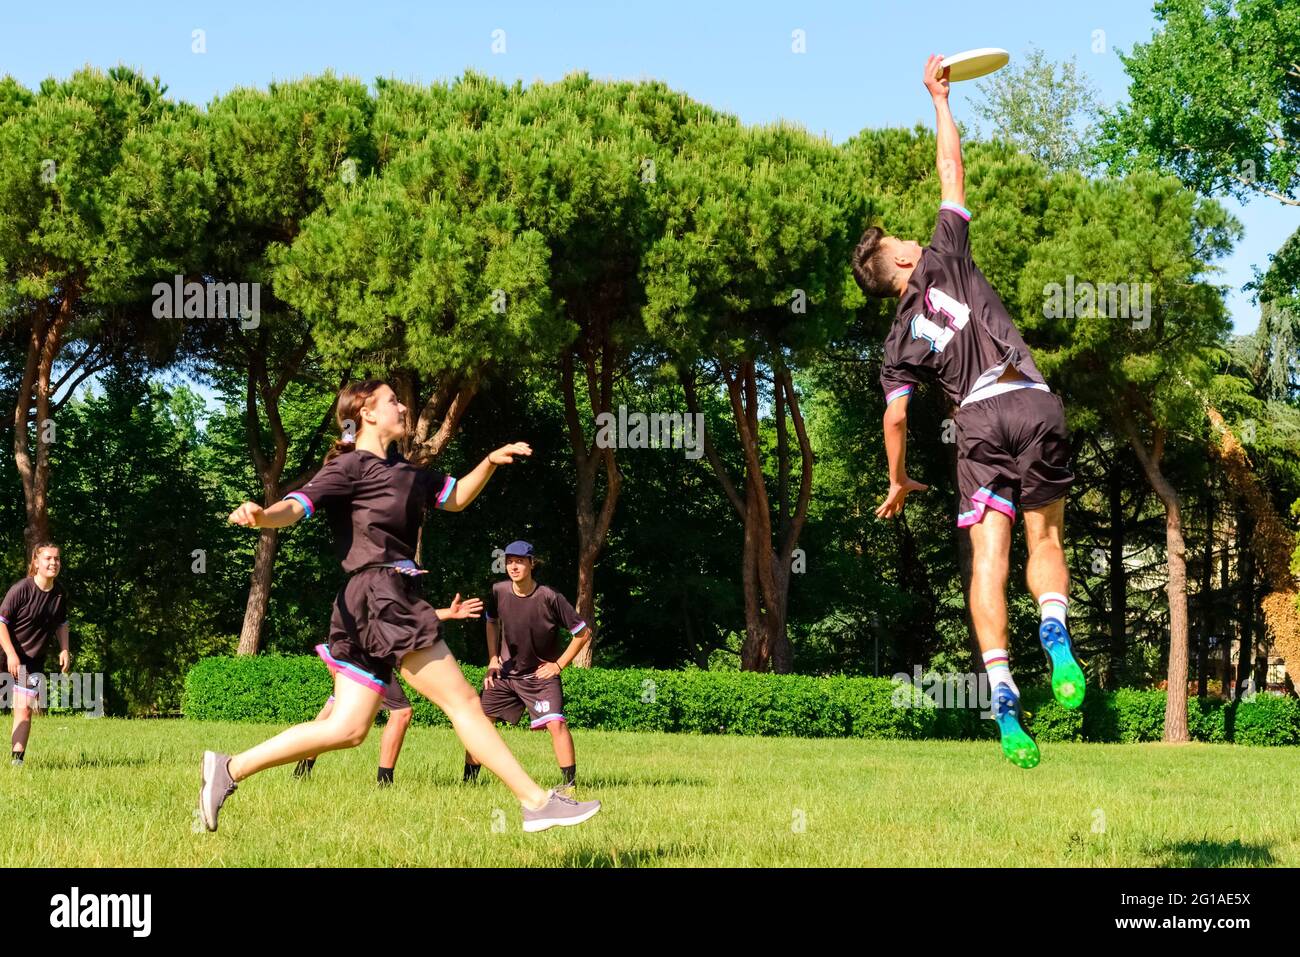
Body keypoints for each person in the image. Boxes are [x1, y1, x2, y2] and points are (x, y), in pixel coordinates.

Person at [199, 380, 601, 831]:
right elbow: (296, 507)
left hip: (379, 599)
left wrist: (488, 461)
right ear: (366, 413)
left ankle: (227, 769)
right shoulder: (349, 466)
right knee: (465, 702)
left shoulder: (410, 473)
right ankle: (535, 801)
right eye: (393, 400)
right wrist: (263, 515)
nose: (404, 406)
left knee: (348, 730)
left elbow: (456, 498)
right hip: (379, 593)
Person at [850, 55, 1084, 768]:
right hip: (1033, 401)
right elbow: (952, 170)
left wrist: (897, 479)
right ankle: (1054, 628)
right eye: (901, 245)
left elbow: (894, 419)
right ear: (895, 267)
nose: (913, 242)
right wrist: (939, 100)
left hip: (978, 425)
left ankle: (1005, 692)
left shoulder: (896, 344)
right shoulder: (945, 255)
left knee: (989, 556)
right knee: (1045, 542)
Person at [463, 541, 592, 788]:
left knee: (556, 723)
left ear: (532, 564)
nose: (513, 566)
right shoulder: (498, 591)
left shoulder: (550, 597)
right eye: (509, 561)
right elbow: (491, 622)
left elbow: (583, 633)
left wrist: (558, 665)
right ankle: (468, 783)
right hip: (506, 675)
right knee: (480, 724)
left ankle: (570, 785)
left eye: (519, 561)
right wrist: (492, 658)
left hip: (539, 677)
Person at [1, 541, 71, 767]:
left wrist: (64, 649)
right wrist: (11, 654)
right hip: (4, 655)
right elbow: (1, 623)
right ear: (36, 562)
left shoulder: (59, 594)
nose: (53, 562)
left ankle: (17, 762)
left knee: (24, 712)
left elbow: (62, 622)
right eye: (48, 558)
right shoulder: (21, 589)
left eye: (56, 558)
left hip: (31, 662)